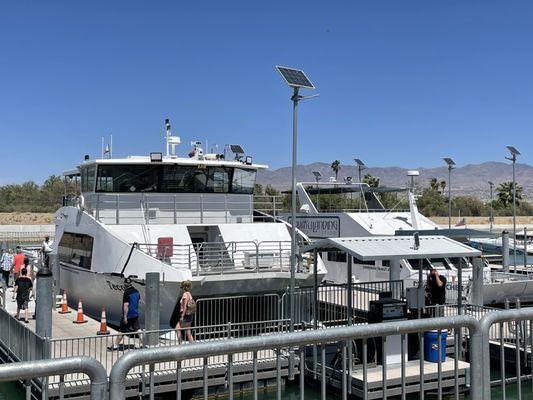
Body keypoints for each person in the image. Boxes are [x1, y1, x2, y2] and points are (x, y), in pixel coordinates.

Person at [108, 277, 141, 351]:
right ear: (131, 283)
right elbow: (138, 302)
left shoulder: (126, 293)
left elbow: (126, 305)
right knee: (138, 330)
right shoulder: (137, 291)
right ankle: (144, 345)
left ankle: (115, 346)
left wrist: (125, 317)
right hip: (135, 314)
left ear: (125, 284)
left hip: (128, 315)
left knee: (121, 331)